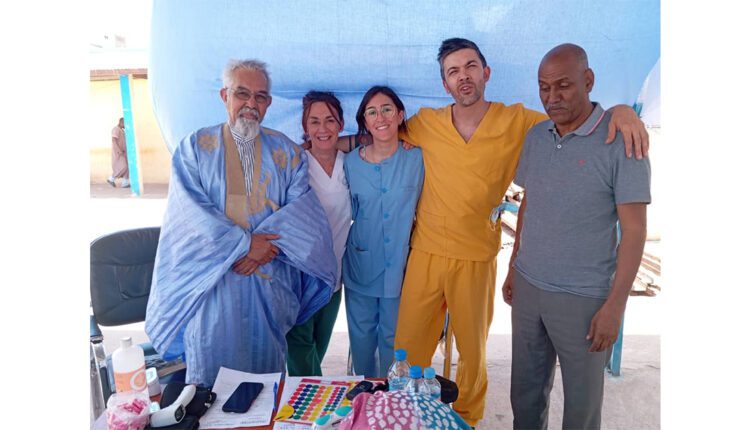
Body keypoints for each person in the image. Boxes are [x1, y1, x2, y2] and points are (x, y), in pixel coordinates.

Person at [386, 38, 650, 427]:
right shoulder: (428, 123)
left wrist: (622, 111)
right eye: (453, 71)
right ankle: (405, 416)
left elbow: (580, 118)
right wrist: (327, 145)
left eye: (471, 67)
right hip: (430, 251)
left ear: (486, 73)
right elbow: (381, 130)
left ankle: (467, 420)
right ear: (444, 83)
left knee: (473, 357)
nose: (463, 77)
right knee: (410, 349)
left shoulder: (522, 122)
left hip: (478, 256)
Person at [145, 59, 337, 387]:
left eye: (260, 96)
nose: (251, 103)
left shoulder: (288, 153)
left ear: (269, 103)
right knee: (210, 387)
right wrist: (245, 245)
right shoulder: (195, 149)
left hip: (269, 285)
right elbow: (189, 214)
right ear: (225, 96)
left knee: (265, 384)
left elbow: (302, 214)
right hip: (213, 286)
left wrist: (264, 248)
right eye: (242, 93)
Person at [502, 43, 650, 430]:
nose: (552, 96)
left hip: (584, 300)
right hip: (529, 289)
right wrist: (515, 264)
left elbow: (634, 231)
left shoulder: (622, 141)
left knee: (581, 409)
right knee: (525, 396)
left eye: (563, 85)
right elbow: (529, 202)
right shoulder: (537, 136)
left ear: (588, 80)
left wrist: (615, 307)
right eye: (544, 87)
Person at [342, 86, 424, 377]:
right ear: (364, 121)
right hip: (361, 262)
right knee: (362, 339)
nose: (381, 117)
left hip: (401, 266)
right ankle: (365, 394)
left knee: (395, 340)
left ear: (400, 115)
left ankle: (391, 396)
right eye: (372, 112)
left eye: (387, 109)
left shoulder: (417, 158)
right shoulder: (351, 163)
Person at [285, 91, 351, 376]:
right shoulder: (294, 164)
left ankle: (309, 395)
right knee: (300, 350)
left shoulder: (351, 162)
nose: (322, 128)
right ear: (305, 127)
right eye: (314, 121)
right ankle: (309, 400)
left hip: (334, 277)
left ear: (341, 124)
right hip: (299, 276)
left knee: (317, 348)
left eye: (329, 120)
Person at [108, 117, 130, 188]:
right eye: (125, 124)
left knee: (127, 167)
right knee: (123, 166)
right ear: (121, 123)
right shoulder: (116, 129)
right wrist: (118, 150)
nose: (126, 126)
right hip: (118, 152)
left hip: (124, 152)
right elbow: (113, 140)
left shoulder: (122, 130)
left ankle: (125, 183)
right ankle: (111, 179)